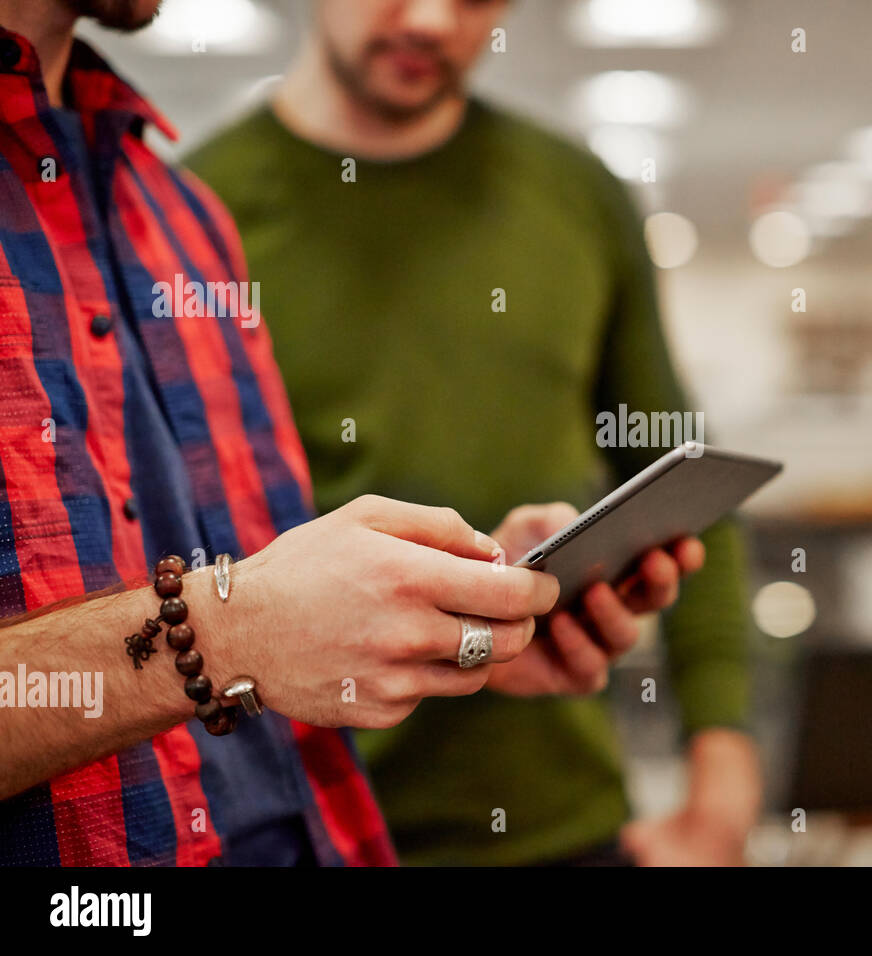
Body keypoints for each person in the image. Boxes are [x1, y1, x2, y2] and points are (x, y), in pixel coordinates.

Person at [0, 0, 700, 867]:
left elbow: (252, 608)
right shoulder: (221, 197)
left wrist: (454, 609)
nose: (434, 18)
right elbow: (234, 620)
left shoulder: (178, 221)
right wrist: (232, 630)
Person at [189, 0, 762, 867]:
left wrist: (722, 781)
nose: (430, 20)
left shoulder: (576, 195)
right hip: (302, 834)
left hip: (563, 826)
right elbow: (162, 568)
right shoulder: (194, 218)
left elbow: (689, 481)